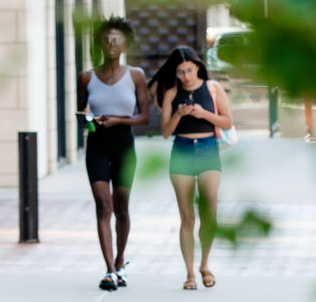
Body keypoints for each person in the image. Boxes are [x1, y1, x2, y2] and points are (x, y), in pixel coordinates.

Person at [78, 17, 151, 291]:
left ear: (126, 43)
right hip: (97, 144)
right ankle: (109, 270)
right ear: (100, 43)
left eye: (117, 39)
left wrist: (119, 121)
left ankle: (121, 261)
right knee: (102, 205)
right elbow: (80, 114)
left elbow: (144, 117)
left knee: (121, 207)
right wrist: (88, 119)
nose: (111, 44)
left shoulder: (136, 75)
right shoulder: (86, 76)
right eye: (107, 39)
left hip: (124, 145)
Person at [153, 46, 232, 291]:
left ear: (197, 66)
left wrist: (204, 113)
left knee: (209, 212)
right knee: (187, 217)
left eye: (189, 70)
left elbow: (228, 121)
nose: (186, 76)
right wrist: (178, 114)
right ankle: (189, 273)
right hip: (182, 150)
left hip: (209, 149)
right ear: (174, 73)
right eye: (180, 72)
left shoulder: (212, 88)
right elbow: (165, 132)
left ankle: (205, 265)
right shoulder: (170, 93)